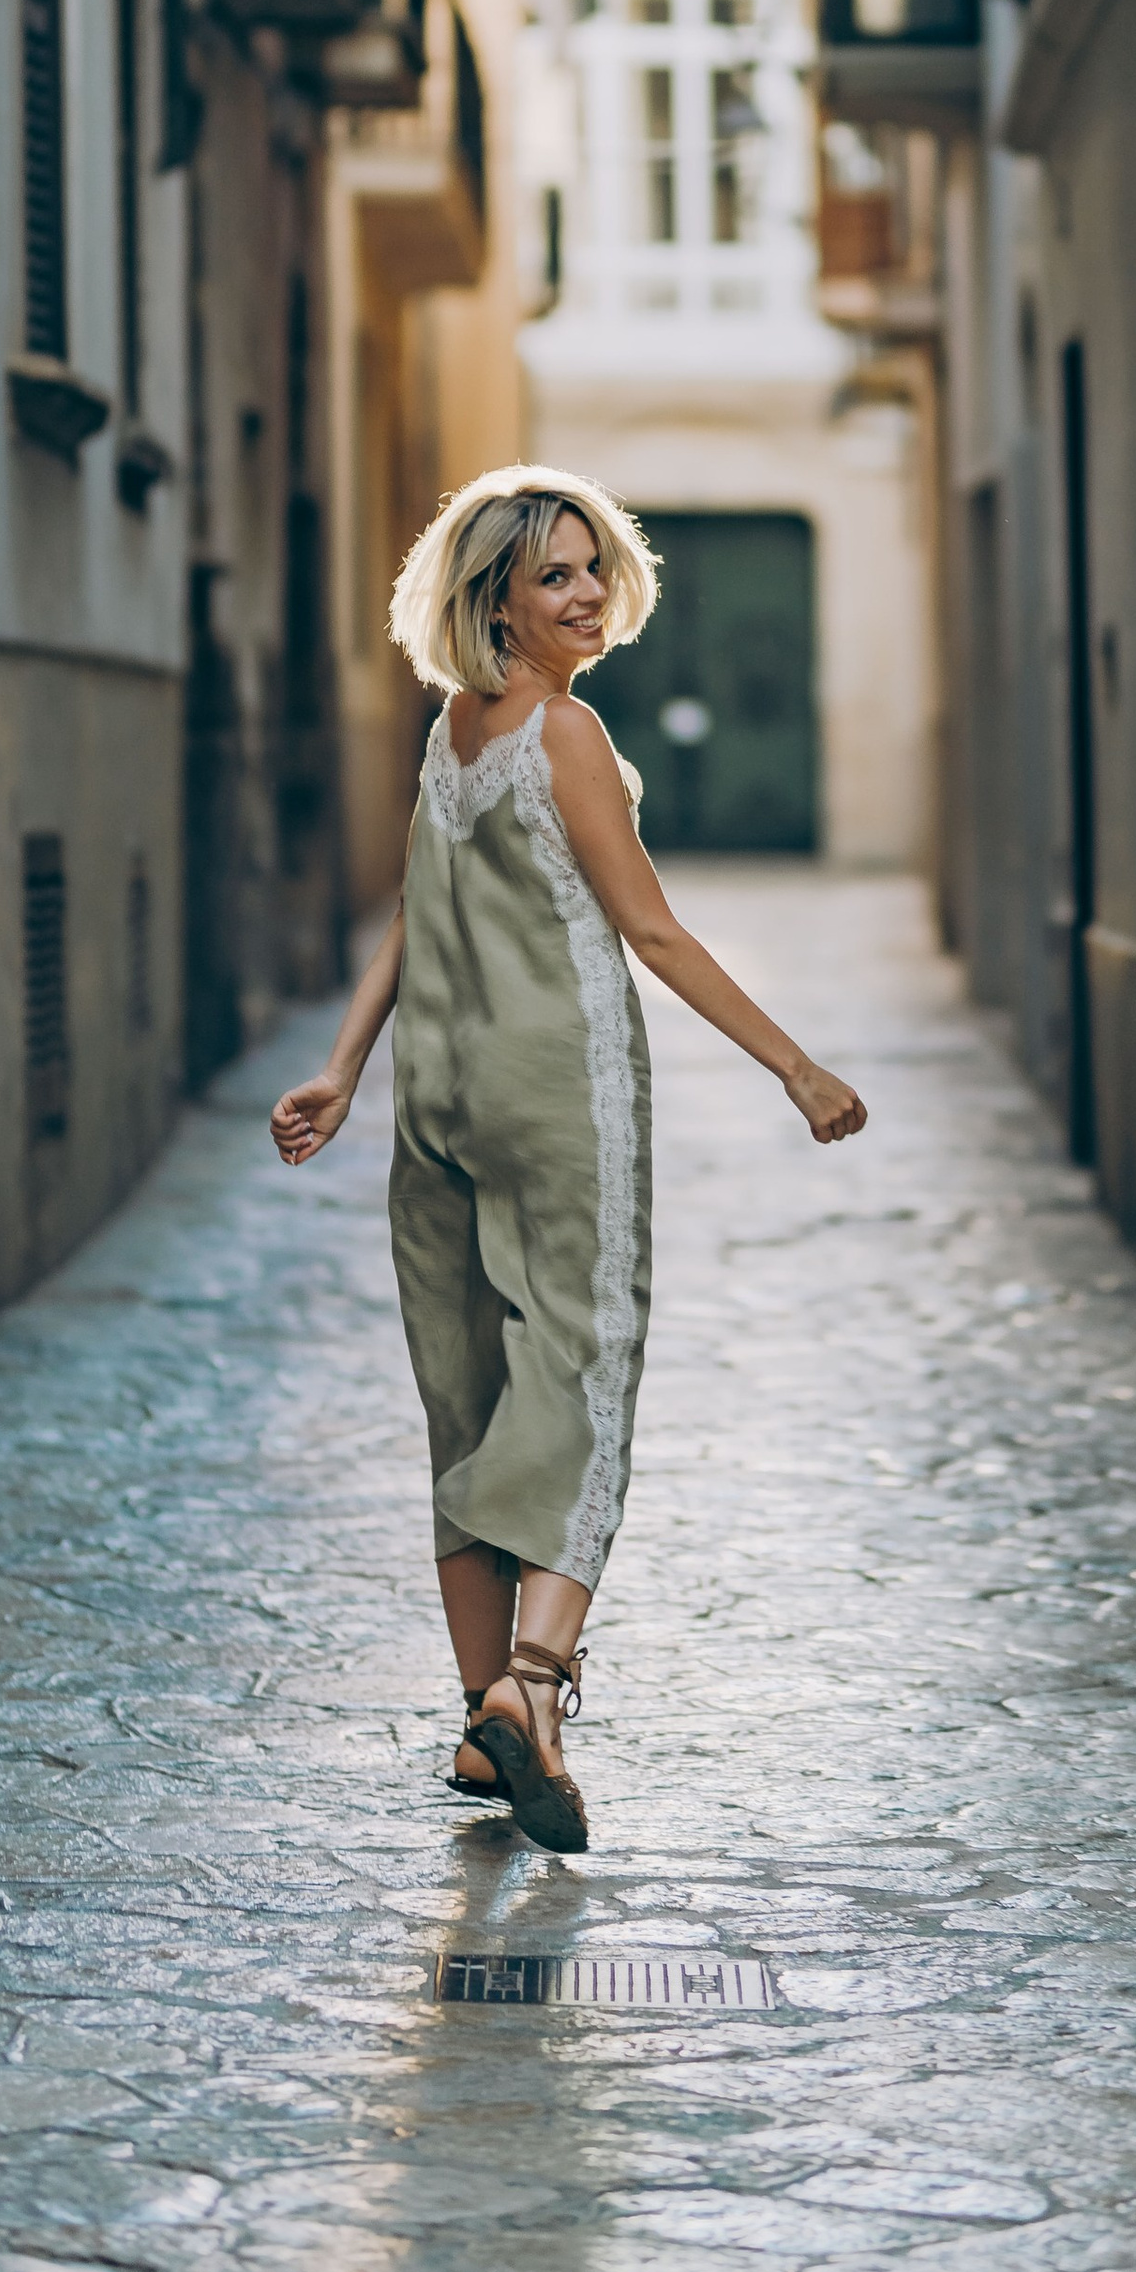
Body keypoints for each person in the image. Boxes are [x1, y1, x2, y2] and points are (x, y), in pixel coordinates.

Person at [269, 464, 866, 1851]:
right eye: (553, 575)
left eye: (594, 566)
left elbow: (415, 912)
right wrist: (795, 1065)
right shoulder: (565, 736)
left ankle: (484, 1728)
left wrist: (346, 1071)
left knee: (465, 1394)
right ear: (492, 599)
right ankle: (534, 1689)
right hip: (558, 1094)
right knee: (583, 1367)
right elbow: (649, 935)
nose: (587, 592)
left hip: (437, 1096)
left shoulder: (449, 732)